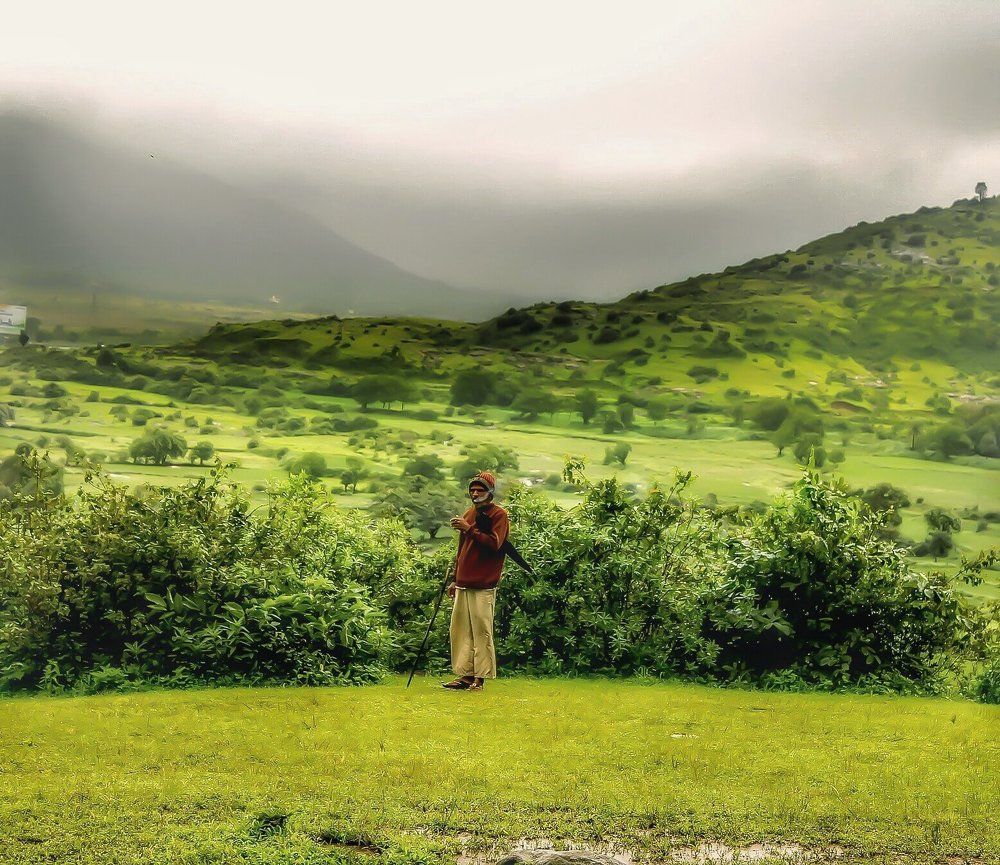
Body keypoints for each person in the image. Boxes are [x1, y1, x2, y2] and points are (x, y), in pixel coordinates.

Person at [442, 470, 509, 692]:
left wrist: (468, 529)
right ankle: (464, 675)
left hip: (483, 584)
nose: (475, 493)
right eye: (472, 490)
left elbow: (494, 544)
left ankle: (480, 679)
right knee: (461, 631)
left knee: (482, 631)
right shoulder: (469, 513)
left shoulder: (499, 515)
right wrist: (454, 578)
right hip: (463, 582)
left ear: (490, 492)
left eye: (480, 490)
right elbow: (462, 550)